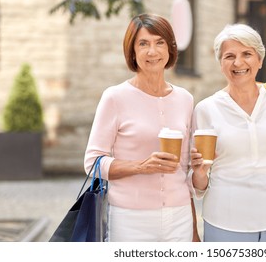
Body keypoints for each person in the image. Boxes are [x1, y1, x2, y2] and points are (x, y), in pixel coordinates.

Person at [84, 13, 199, 242]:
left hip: (180, 217)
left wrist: (194, 231)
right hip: (130, 220)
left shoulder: (185, 99)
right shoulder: (115, 97)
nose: (152, 51)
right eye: (143, 44)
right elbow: (92, 162)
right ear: (132, 51)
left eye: (159, 43)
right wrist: (141, 166)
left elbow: (185, 172)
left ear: (170, 49)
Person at [190, 23, 266, 242]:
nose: (238, 63)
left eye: (247, 54)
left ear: (260, 60)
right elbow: (198, 186)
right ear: (220, 63)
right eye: (229, 56)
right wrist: (198, 172)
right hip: (225, 220)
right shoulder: (206, 109)